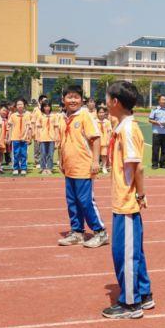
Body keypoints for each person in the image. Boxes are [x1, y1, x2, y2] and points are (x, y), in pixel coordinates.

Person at [102, 80, 154, 319]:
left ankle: (131, 305)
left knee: (126, 254)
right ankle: (143, 294)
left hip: (126, 202)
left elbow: (138, 167)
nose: (104, 104)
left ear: (114, 102)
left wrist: (140, 194)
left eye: (106, 99)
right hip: (122, 200)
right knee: (133, 252)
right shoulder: (122, 126)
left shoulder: (128, 129)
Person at [57, 85, 108, 248]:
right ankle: (77, 232)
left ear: (82, 100)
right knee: (72, 201)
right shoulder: (64, 117)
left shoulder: (85, 115)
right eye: (69, 97)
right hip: (69, 167)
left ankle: (100, 232)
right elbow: (63, 142)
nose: (73, 100)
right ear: (63, 99)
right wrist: (61, 160)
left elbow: (96, 138)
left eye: (76, 97)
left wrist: (95, 161)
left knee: (85, 201)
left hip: (83, 166)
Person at [149, 95, 165, 169]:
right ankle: (155, 164)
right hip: (157, 133)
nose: (164, 101)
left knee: (164, 149)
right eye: (162, 99)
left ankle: (162, 164)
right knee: (155, 149)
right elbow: (150, 119)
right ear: (159, 101)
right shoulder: (155, 110)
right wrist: (158, 123)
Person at [7, 98, 31, 176]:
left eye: (21, 104)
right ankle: (16, 168)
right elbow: (10, 127)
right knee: (16, 153)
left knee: (24, 153)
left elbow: (28, 126)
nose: (20, 106)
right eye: (18, 104)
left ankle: (23, 168)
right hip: (15, 137)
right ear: (16, 106)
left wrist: (25, 136)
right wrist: (10, 137)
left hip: (24, 138)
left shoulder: (27, 114)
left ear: (24, 105)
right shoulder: (13, 115)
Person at [36, 101, 58, 175]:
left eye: (48, 106)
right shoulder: (41, 116)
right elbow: (38, 128)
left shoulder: (54, 116)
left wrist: (56, 137)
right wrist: (38, 137)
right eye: (45, 106)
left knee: (50, 154)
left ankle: (49, 168)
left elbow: (56, 127)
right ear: (43, 107)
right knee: (43, 154)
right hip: (43, 137)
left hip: (51, 138)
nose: (47, 108)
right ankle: (43, 168)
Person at [95, 106, 112, 174]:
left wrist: (108, 140)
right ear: (97, 113)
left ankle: (104, 167)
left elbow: (109, 131)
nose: (101, 114)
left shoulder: (107, 122)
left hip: (104, 141)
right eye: (100, 112)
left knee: (104, 155)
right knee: (96, 155)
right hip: (97, 141)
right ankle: (97, 167)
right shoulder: (94, 121)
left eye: (102, 112)